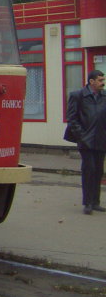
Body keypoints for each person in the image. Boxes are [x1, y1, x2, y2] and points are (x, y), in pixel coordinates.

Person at [65, 69, 106, 214]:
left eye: (103, 80)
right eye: (100, 80)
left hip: (101, 139)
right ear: (92, 82)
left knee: (99, 171)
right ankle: (87, 203)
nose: (103, 83)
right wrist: (82, 137)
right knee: (89, 170)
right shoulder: (78, 96)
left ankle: (96, 202)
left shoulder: (104, 96)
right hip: (86, 140)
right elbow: (72, 118)